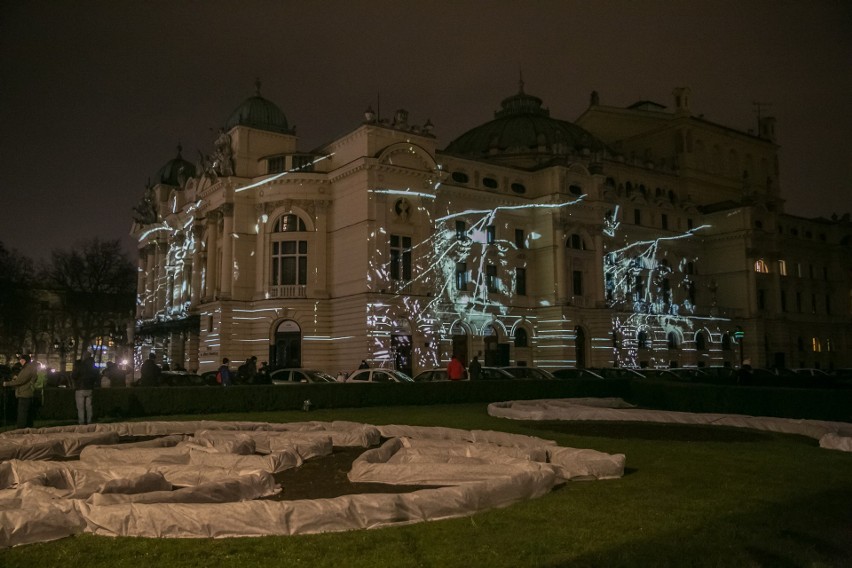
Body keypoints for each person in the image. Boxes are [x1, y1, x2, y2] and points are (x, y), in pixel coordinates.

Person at [3, 354, 38, 429]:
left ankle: (21, 430)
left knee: (22, 414)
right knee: (27, 415)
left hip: (24, 394)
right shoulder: (28, 367)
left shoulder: (28, 368)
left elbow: (20, 381)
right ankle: (28, 430)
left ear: (25, 360)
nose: (20, 361)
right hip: (26, 393)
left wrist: (6, 383)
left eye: (21, 360)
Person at [72, 352, 98, 425]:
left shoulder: (80, 366)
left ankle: (81, 422)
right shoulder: (94, 367)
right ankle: (89, 421)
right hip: (90, 388)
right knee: (89, 407)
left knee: (80, 408)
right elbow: (96, 377)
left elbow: (74, 375)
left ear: (84, 357)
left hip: (80, 388)